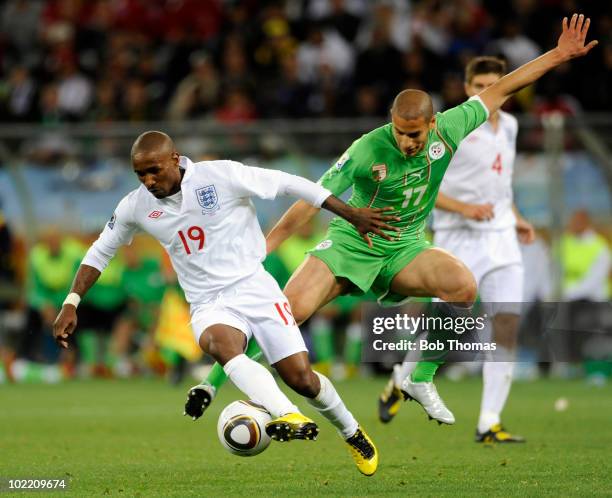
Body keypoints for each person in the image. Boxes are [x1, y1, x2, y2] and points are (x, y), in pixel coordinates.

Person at [185, 13, 597, 425]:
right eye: (400, 132)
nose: (406, 141)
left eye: (415, 134)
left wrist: (559, 55)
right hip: (350, 245)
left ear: (432, 125)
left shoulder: (451, 128)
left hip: (404, 247)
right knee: (284, 312)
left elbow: (506, 86)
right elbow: (313, 197)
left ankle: (420, 377)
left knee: (462, 287)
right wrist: (265, 246)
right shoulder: (367, 149)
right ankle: (213, 383)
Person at [53, 131, 400, 476]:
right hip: (208, 302)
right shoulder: (135, 206)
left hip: (256, 288)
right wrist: (72, 301)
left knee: (303, 379)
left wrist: (350, 213)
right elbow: (101, 249)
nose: (148, 180)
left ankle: (352, 432)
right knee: (219, 344)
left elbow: (291, 183)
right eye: (140, 174)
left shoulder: (221, 175)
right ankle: (287, 414)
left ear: (175, 159)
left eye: (154, 170)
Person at [377, 56, 536, 443]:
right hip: (457, 238)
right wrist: (465, 208)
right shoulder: (451, 130)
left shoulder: (510, 126)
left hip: (501, 238)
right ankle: (402, 378)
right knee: (447, 326)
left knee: (507, 327)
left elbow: (502, 183)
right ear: (468, 90)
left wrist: (515, 215)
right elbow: (425, 188)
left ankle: (489, 422)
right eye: (479, 87)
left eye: (493, 86)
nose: (486, 93)